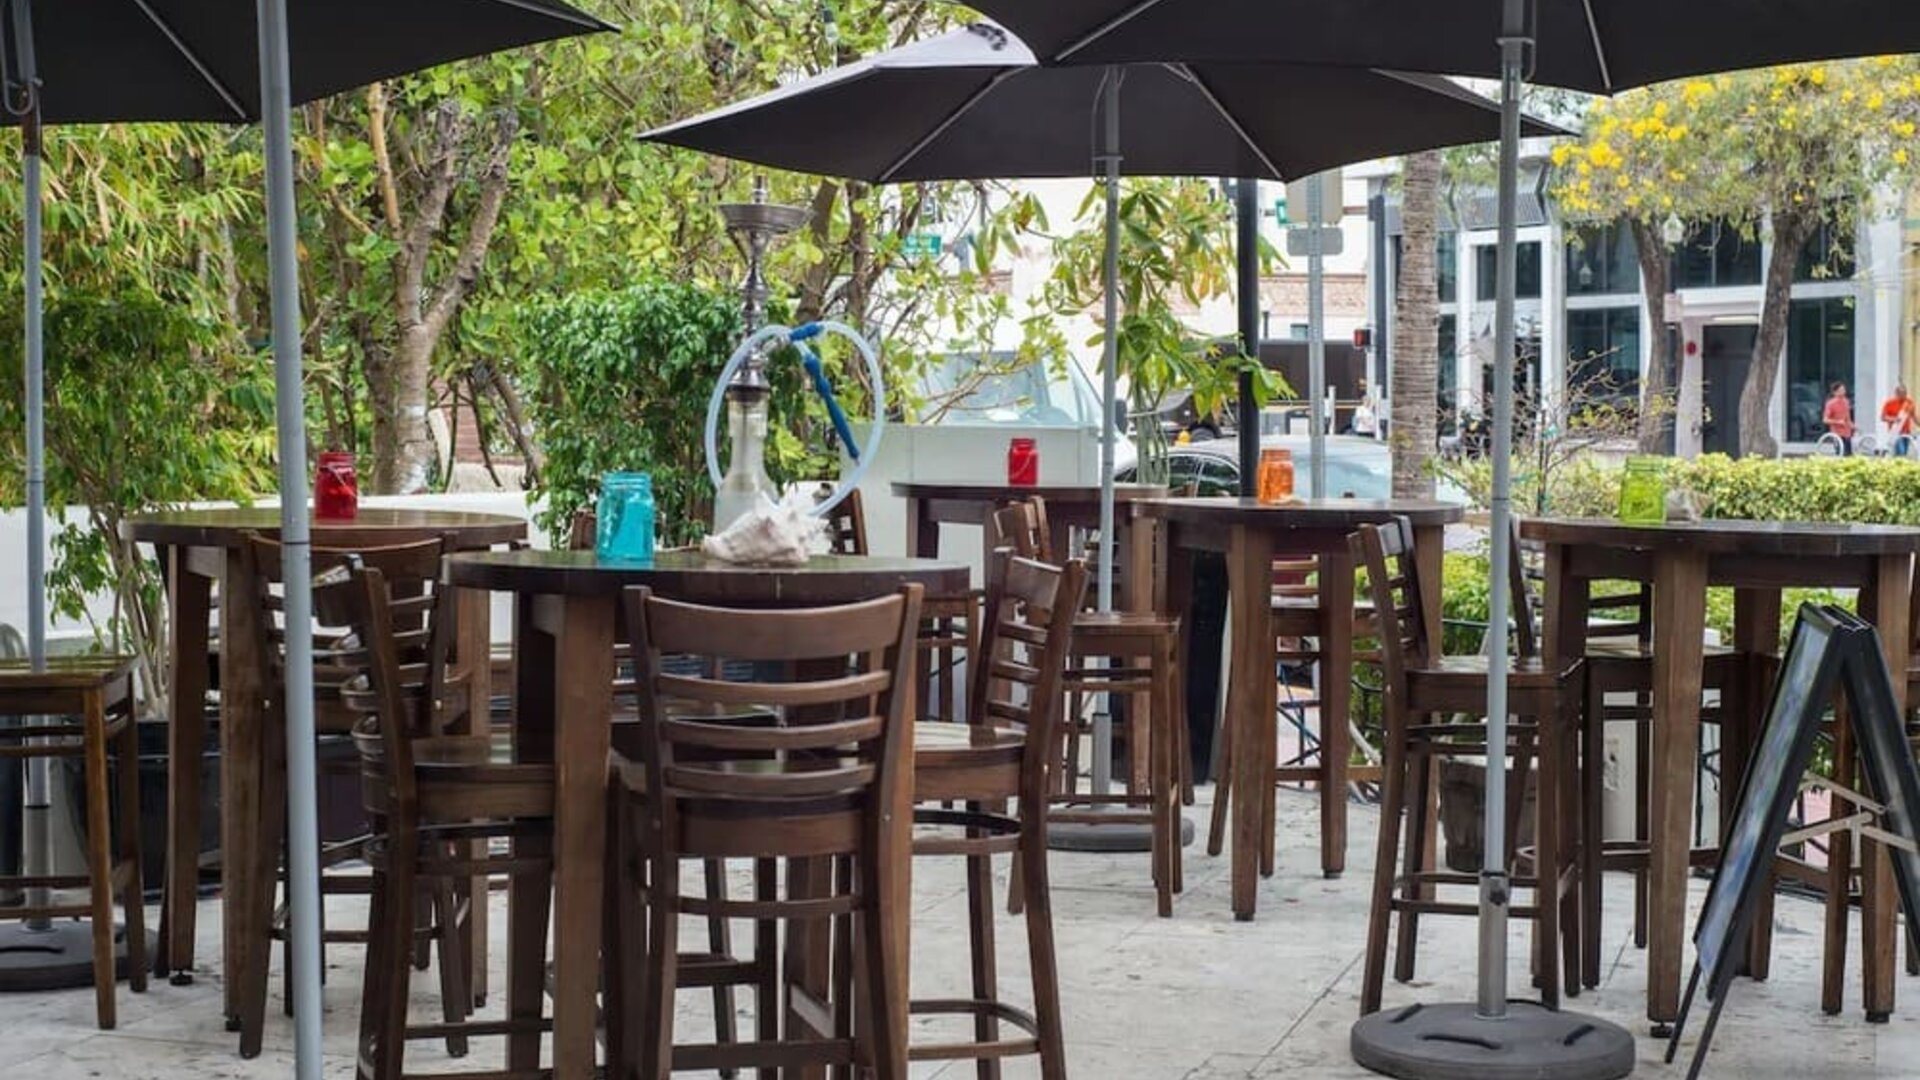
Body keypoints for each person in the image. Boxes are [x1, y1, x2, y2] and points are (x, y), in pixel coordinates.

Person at [1883, 384, 1916, 457]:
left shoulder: (1909, 402)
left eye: (1905, 393)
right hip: (1896, 432)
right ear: (1896, 393)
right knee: (1901, 452)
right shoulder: (1889, 403)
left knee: (1904, 453)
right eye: (1901, 393)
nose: (1904, 395)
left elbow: (1914, 416)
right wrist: (1894, 419)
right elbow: (1883, 417)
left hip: (1907, 433)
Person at [1825, 381, 1856, 455]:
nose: (1843, 392)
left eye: (1844, 390)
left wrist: (1851, 425)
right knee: (1840, 452)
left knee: (1848, 454)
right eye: (1841, 390)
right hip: (1837, 433)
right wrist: (1837, 422)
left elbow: (1847, 417)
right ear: (1835, 392)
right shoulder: (1830, 404)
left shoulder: (1846, 401)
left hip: (1847, 433)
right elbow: (1825, 420)